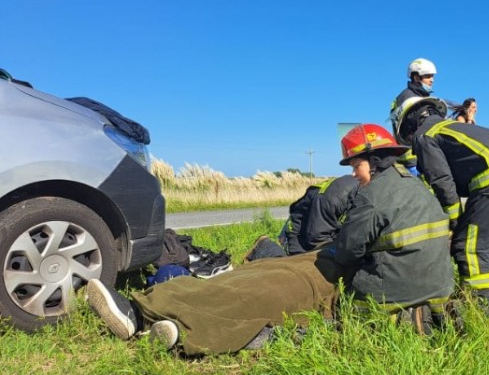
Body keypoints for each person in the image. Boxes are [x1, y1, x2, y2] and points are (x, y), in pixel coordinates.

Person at [85, 124, 454, 355]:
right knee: (269, 274)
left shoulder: (374, 196)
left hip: (372, 290)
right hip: (419, 287)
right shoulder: (416, 188)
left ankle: (140, 311)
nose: (354, 175)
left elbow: (349, 250)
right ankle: (172, 321)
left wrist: (316, 258)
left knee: (266, 285)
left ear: (373, 160)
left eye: (355, 165)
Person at [393, 96, 489, 319]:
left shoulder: (425, 135)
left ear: (409, 122)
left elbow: (441, 180)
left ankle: (479, 313)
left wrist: (454, 220)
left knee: (470, 246)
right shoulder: (451, 127)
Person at [245, 174, 359, 261]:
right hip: (299, 236)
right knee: (298, 269)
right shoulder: (336, 197)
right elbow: (316, 237)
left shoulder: (361, 189)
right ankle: (263, 247)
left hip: (322, 227)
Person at [389, 58, 437, 175]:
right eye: (427, 76)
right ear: (416, 77)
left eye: (432, 76)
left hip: (414, 155)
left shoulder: (415, 96)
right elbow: (418, 125)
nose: (432, 80)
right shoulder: (410, 98)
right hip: (413, 157)